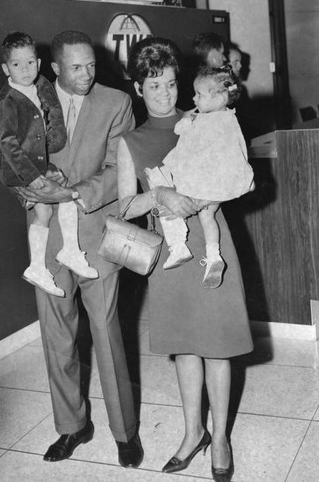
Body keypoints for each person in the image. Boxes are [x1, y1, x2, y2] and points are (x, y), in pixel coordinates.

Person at [117, 37, 253, 481]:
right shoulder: (130, 141)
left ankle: (221, 436)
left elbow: (237, 175)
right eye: (154, 86)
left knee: (217, 344)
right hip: (169, 251)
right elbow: (124, 207)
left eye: (172, 85)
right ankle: (192, 431)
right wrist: (159, 194)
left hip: (211, 244)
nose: (165, 94)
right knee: (185, 346)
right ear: (138, 88)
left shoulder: (204, 118)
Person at [17, 30, 143, 469]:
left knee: (107, 334)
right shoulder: (28, 100)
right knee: (58, 338)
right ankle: (72, 428)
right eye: (76, 67)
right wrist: (31, 193)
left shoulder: (116, 102)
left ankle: (125, 433)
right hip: (48, 240)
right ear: (55, 68)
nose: (87, 74)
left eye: (91, 65)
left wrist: (74, 194)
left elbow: (119, 168)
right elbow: (10, 158)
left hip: (94, 234)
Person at [0, 31, 98, 300]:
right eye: (16, 65)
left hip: (39, 162)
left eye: (29, 63)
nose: (24, 70)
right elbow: (8, 145)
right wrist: (32, 176)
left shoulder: (40, 85)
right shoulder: (7, 101)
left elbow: (48, 115)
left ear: (38, 64)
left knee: (65, 197)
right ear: (6, 68)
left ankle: (67, 251)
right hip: (20, 170)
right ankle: (39, 265)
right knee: (46, 210)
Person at [145, 66, 254, 288]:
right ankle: (213, 255)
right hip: (222, 186)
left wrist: (186, 122)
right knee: (207, 217)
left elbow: (185, 139)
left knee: (162, 185)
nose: (194, 98)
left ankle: (178, 245)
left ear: (220, 97)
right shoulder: (229, 118)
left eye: (199, 95)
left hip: (203, 182)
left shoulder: (208, 121)